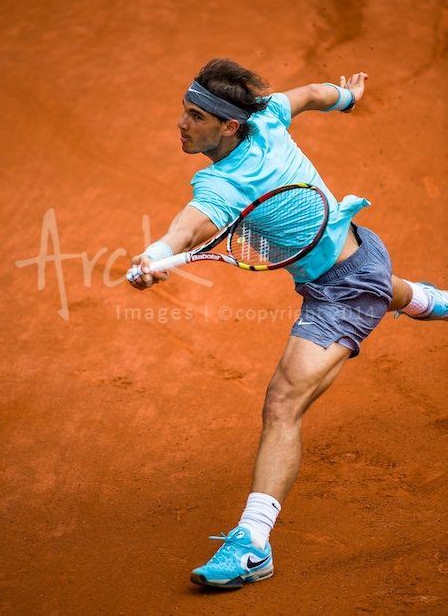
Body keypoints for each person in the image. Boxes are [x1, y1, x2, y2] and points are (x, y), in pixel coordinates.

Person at [129, 59, 447, 589]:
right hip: (360, 255)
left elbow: (188, 228)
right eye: (183, 111)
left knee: (282, 404)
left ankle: (253, 545)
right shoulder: (269, 116)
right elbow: (308, 95)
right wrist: (344, 98)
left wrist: (159, 252)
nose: (181, 124)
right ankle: (434, 301)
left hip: (343, 291)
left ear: (229, 125)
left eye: (195, 116)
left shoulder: (222, 184)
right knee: (377, 286)